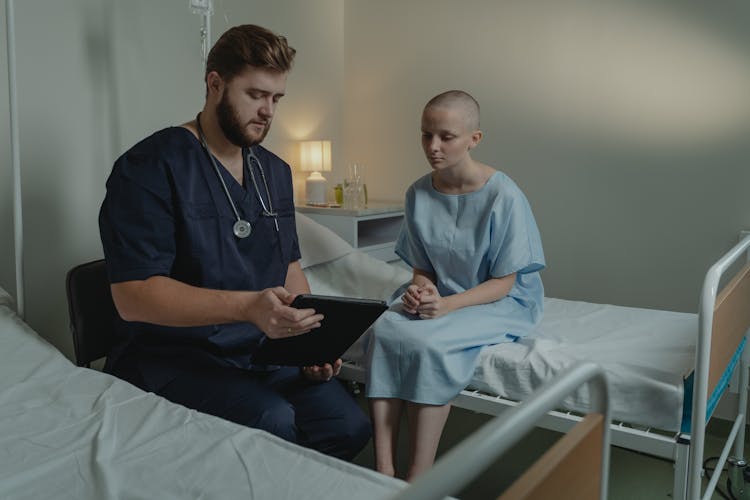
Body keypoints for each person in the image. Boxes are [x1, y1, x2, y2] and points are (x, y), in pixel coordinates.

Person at [98, 24, 370, 460]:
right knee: (273, 420)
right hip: (172, 358)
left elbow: (289, 269)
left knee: (348, 424)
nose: (268, 111)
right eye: (256, 95)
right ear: (214, 83)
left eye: (276, 98)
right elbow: (133, 296)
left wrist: (311, 345)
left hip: (258, 354)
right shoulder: (150, 167)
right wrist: (246, 307)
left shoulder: (275, 172)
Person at [365, 90, 545, 479]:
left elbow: (504, 282)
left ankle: (419, 476)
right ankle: (381, 470)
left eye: (446, 137)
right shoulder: (418, 193)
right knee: (383, 329)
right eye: (426, 135)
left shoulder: (503, 194)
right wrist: (422, 289)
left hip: (501, 299)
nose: (433, 147)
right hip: (443, 293)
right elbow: (423, 266)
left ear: (473, 139)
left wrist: (446, 306)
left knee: (427, 343)